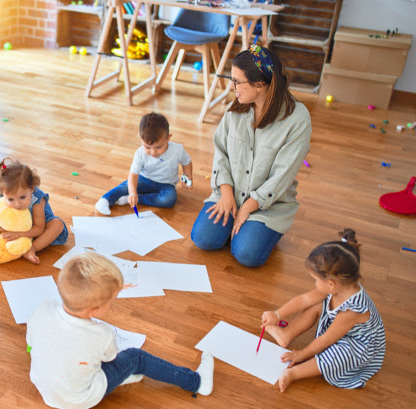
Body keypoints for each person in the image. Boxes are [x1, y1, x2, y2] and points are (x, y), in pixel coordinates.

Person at [27, 253, 214, 409]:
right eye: (112, 301)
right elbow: (108, 359)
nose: (113, 306)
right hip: (82, 398)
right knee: (136, 357)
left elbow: (30, 343)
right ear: (94, 310)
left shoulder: (43, 308)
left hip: (46, 391)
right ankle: (197, 382)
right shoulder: (103, 333)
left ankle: (119, 376)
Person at [191, 45, 312, 267]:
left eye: (237, 81)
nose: (231, 86)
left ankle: (252, 231)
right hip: (231, 193)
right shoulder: (235, 109)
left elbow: (282, 176)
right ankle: (239, 229)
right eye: (231, 79)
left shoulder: (298, 120)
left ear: (260, 83)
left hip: (269, 204)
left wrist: (246, 208)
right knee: (203, 239)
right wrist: (227, 194)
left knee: (248, 255)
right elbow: (221, 153)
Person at [262, 229, 385, 392]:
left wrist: (301, 355)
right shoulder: (338, 284)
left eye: (314, 279)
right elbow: (303, 300)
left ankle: (294, 373)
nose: (314, 283)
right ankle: (286, 335)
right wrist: (277, 314)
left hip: (357, 346)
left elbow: (325, 340)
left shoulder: (352, 311)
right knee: (316, 304)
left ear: (331, 283)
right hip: (339, 331)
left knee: (338, 353)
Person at [95, 112, 193, 216]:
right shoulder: (140, 153)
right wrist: (132, 192)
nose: (153, 152)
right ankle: (105, 200)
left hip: (166, 184)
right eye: (147, 147)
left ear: (168, 138)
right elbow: (133, 175)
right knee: (125, 187)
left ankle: (139, 198)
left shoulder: (177, 150)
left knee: (170, 199)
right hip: (144, 179)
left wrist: (188, 176)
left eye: (158, 147)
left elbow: (186, 161)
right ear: (140, 138)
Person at [0, 158, 68, 264]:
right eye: (11, 199)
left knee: (58, 224)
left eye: (22, 197)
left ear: (32, 189)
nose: (17, 204)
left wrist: (18, 234)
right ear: (2, 193)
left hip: (37, 230)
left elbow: (39, 228)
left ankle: (31, 249)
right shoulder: (2, 195)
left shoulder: (37, 199)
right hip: (14, 228)